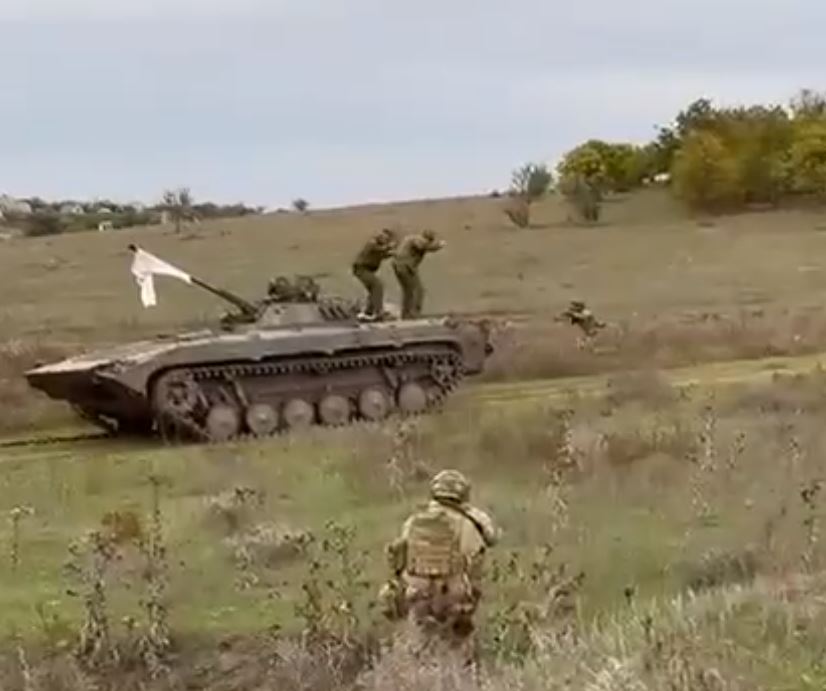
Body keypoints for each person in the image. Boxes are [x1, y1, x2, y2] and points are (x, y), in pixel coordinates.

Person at [379, 469, 498, 658]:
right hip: (453, 600)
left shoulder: (413, 522)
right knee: (458, 652)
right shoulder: (469, 525)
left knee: (418, 647)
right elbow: (476, 565)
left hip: (417, 595)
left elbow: (399, 559)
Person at [392, 229, 445, 319]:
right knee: (418, 290)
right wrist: (438, 246)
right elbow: (421, 246)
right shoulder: (418, 239)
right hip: (405, 266)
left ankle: (406, 314)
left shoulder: (410, 238)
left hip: (399, 265)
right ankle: (413, 313)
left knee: (408, 291)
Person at [352, 228, 398, 320]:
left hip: (367, 270)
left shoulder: (378, 245)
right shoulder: (372, 243)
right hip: (362, 269)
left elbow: (382, 254)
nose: (383, 239)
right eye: (383, 237)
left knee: (373, 290)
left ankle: (369, 312)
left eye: (386, 238)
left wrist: (392, 253)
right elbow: (379, 250)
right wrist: (390, 247)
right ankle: (378, 312)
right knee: (377, 286)